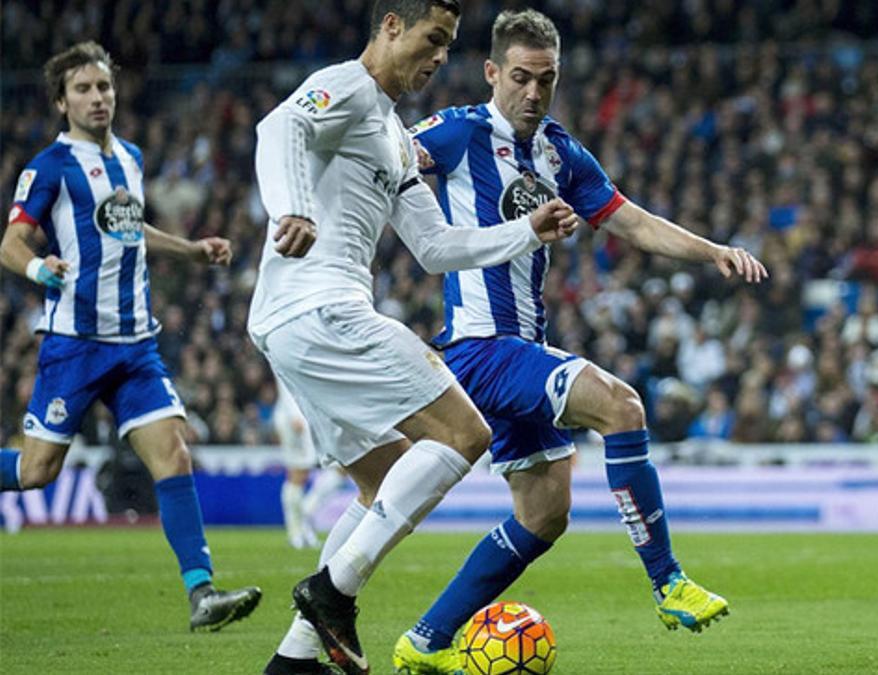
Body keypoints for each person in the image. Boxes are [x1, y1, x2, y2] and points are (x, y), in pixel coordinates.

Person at [393, 9, 768, 672]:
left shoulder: (559, 152)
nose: (534, 93)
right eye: (520, 78)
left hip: (520, 347)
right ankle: (669, 582)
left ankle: (422, 641)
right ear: (491, 73)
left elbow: (631, 221)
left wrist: (711, 251)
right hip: (481, 346)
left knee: (545, 513)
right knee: (622, 406)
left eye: (547, 79)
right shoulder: (455, 132)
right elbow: (384, 156)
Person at [250, 2, 579, 674]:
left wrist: (525, 231)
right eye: (432, 39)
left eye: (449, 44)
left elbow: (434, 245)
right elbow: (277, 126)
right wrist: (291, 207)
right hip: (320, 305)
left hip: (293, 323)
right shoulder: (348, 86)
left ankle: (295, 658)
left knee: (382, 480)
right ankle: (331, 591)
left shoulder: (396, 136)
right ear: (391, 26)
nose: (438, 58)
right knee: (465, 433)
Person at [0, 41, 262, 631]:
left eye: (104, 87)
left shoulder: (132, 158)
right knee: (38, 471)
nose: (98, 98)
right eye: (84, 90)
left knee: (173, 452)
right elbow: (11, 243)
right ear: (61, 101)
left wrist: (191, 250)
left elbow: (129, 228)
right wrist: (41, 269)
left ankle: (202, 593)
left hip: (136, 344)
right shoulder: (49, 166)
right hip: (76, 344)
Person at [273, 375, 345, 550]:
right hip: (295, 415)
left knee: (343, 467)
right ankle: (295, 532)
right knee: (298, 473)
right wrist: (294, 414)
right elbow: (284, 375)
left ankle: (307, 511)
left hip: (317, 412)